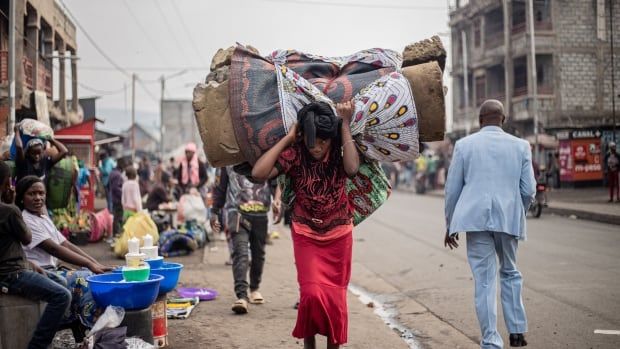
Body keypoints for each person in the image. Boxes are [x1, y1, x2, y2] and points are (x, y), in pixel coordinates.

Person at [252, 100, 360, 349]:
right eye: (313, 142)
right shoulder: (296, 153)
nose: (318, 147)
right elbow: (259, 173)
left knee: (335, 301)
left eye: (324, 141)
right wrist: (289, 138)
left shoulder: (339, 150)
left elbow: (352, 169)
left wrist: (344, 124)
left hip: (339, 235)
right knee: (310, 296)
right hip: (306, 234)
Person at [444, 99, 535, 348]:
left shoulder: (464, 146)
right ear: (503, 120)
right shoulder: (521, 146)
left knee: (484, 281)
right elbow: (529, 190)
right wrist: (518, 212)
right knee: (510, 272)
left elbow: (452, 190)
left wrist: (450, 224)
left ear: (480, 120)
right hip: (509, 219)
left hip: (476, 221)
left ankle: (491, 341)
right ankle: (517, 332)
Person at [17, 176, 112, 332]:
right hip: (41, 273)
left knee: (91, 274)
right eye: (32, 194)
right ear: (21, 197)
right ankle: (95, 329)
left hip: (52, 270)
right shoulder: (26, 220)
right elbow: (55, 249)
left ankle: (84, 334)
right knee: (85, 280)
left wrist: (95, 263)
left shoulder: (42, 218)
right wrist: (89, 264)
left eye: (41, 193)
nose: (38, 198)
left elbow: (66, 243)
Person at [0, 162, 72, 349]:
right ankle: (37, 346)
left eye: (41, 193)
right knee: (62, 296)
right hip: (11, 275)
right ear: (7, 184)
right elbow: (27, 239)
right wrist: (11, 203)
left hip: (17, 267)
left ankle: (49, 327)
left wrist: (29, 264)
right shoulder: (9, 211)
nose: (38, 198)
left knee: (62, 282)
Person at [210, 166, 273, 314]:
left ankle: (255, 288)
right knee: (240, 252)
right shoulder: (227, 159)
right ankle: (242, 296)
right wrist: (214, 211)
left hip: (261, 213)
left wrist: (277, 201)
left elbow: (275, 181)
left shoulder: (263, 152)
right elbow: (220, 187)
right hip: (236, 212)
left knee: (259, 254)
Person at [108, 158, 125, 237]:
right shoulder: (118, 174)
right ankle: (117, 233)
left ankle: (115, 233)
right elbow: (116, 188)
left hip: (114, 198)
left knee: (116, 216)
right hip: (118, 199)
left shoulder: (112, 172)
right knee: (118, 217)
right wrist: (123, 194)